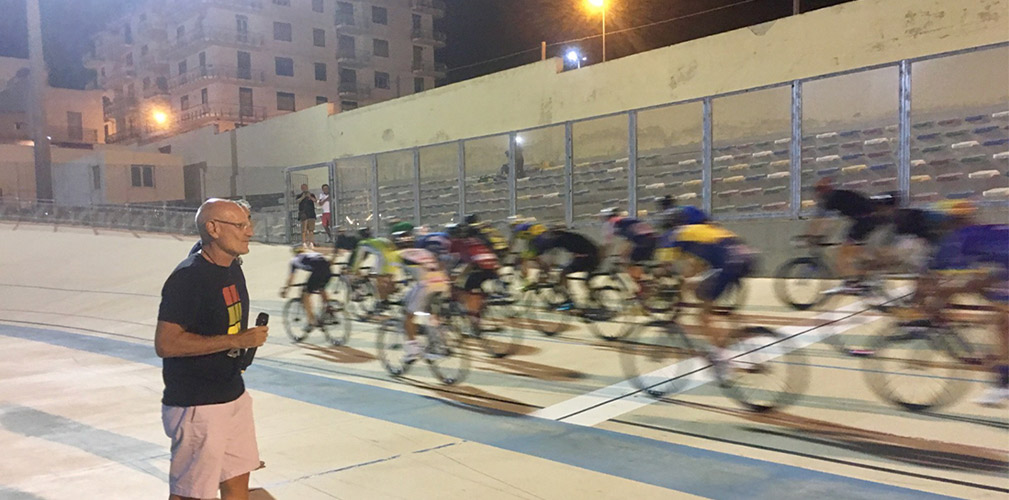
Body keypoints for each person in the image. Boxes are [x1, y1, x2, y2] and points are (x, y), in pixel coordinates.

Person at [155, 198, 269, 500]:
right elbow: (166, 343)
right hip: (198, 404)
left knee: (236, 482)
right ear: (213, 229)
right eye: (240, 225)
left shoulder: (231, 267)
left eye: (248, 223)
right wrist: (236, 341)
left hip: (232, 394)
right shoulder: (188, 278)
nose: (250, 231)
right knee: (192, 493)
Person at [656, 215, 758, 384]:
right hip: (746, 258)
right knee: (712, 301)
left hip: (727, 264)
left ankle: (721, 361)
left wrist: (663, 286)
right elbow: (697, 266)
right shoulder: (698, 231)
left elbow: (663, 269)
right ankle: (745, 341)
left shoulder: (675, 234)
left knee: (702, 315)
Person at [805, 178, 891, 293]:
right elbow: (823, 222)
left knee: (843, 254)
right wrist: (817, 235)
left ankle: (853, 283)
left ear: (824, 190)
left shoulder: (831, 198)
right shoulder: (834, 197)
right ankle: (867, 276)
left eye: (818, 189)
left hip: (865, 220)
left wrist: (812, 236)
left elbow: (823, 221)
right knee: (854, 252)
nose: (816, 193)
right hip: (866, 220)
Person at [393, 231, 451, 362]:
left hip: (425, 286)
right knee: (431, 314)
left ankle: (413, 351)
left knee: (408, 317)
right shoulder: (425, 252)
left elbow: (394, 279)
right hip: (442, 282)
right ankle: (439, 342)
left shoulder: (398, 255)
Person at [527, 225, 601, 311]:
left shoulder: (560, 239)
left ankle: (569, 301)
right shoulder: (570, 236)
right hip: (592, 257)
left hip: (586, 258)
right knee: (584, 281)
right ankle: (593, 297)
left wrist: (548, 265)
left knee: (563, 274)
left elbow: (551, 251)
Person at [599, 207, 658, 294]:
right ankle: (648, 281)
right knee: (636, 261)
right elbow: (628, 239)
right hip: (652, 239)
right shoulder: (627, 220)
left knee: (630, 261)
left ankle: (641, 287)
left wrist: (604, 255)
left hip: (641, 241)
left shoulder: (611, 223)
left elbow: (608, 244)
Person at [280, 247, 334, 333]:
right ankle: (329, 308)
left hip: (318, 270)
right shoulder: (311, 254)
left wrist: (286, 289)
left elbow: (291, 278)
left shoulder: (294, 260)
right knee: (320, 288)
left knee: (305, 294)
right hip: (327, 269)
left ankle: (311, 321)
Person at [296, 184, 317, 248]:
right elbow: (297, 201)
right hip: (303, 214)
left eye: (305, 187)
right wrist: (303, 197)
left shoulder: (311, 195)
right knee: (304, 230)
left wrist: (309, 196)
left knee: (311, 229)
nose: (304, 189)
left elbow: (315, 201)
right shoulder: (299, 195)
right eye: (303, 188)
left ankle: (311, 242)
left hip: (311, 214)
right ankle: (304, 242)